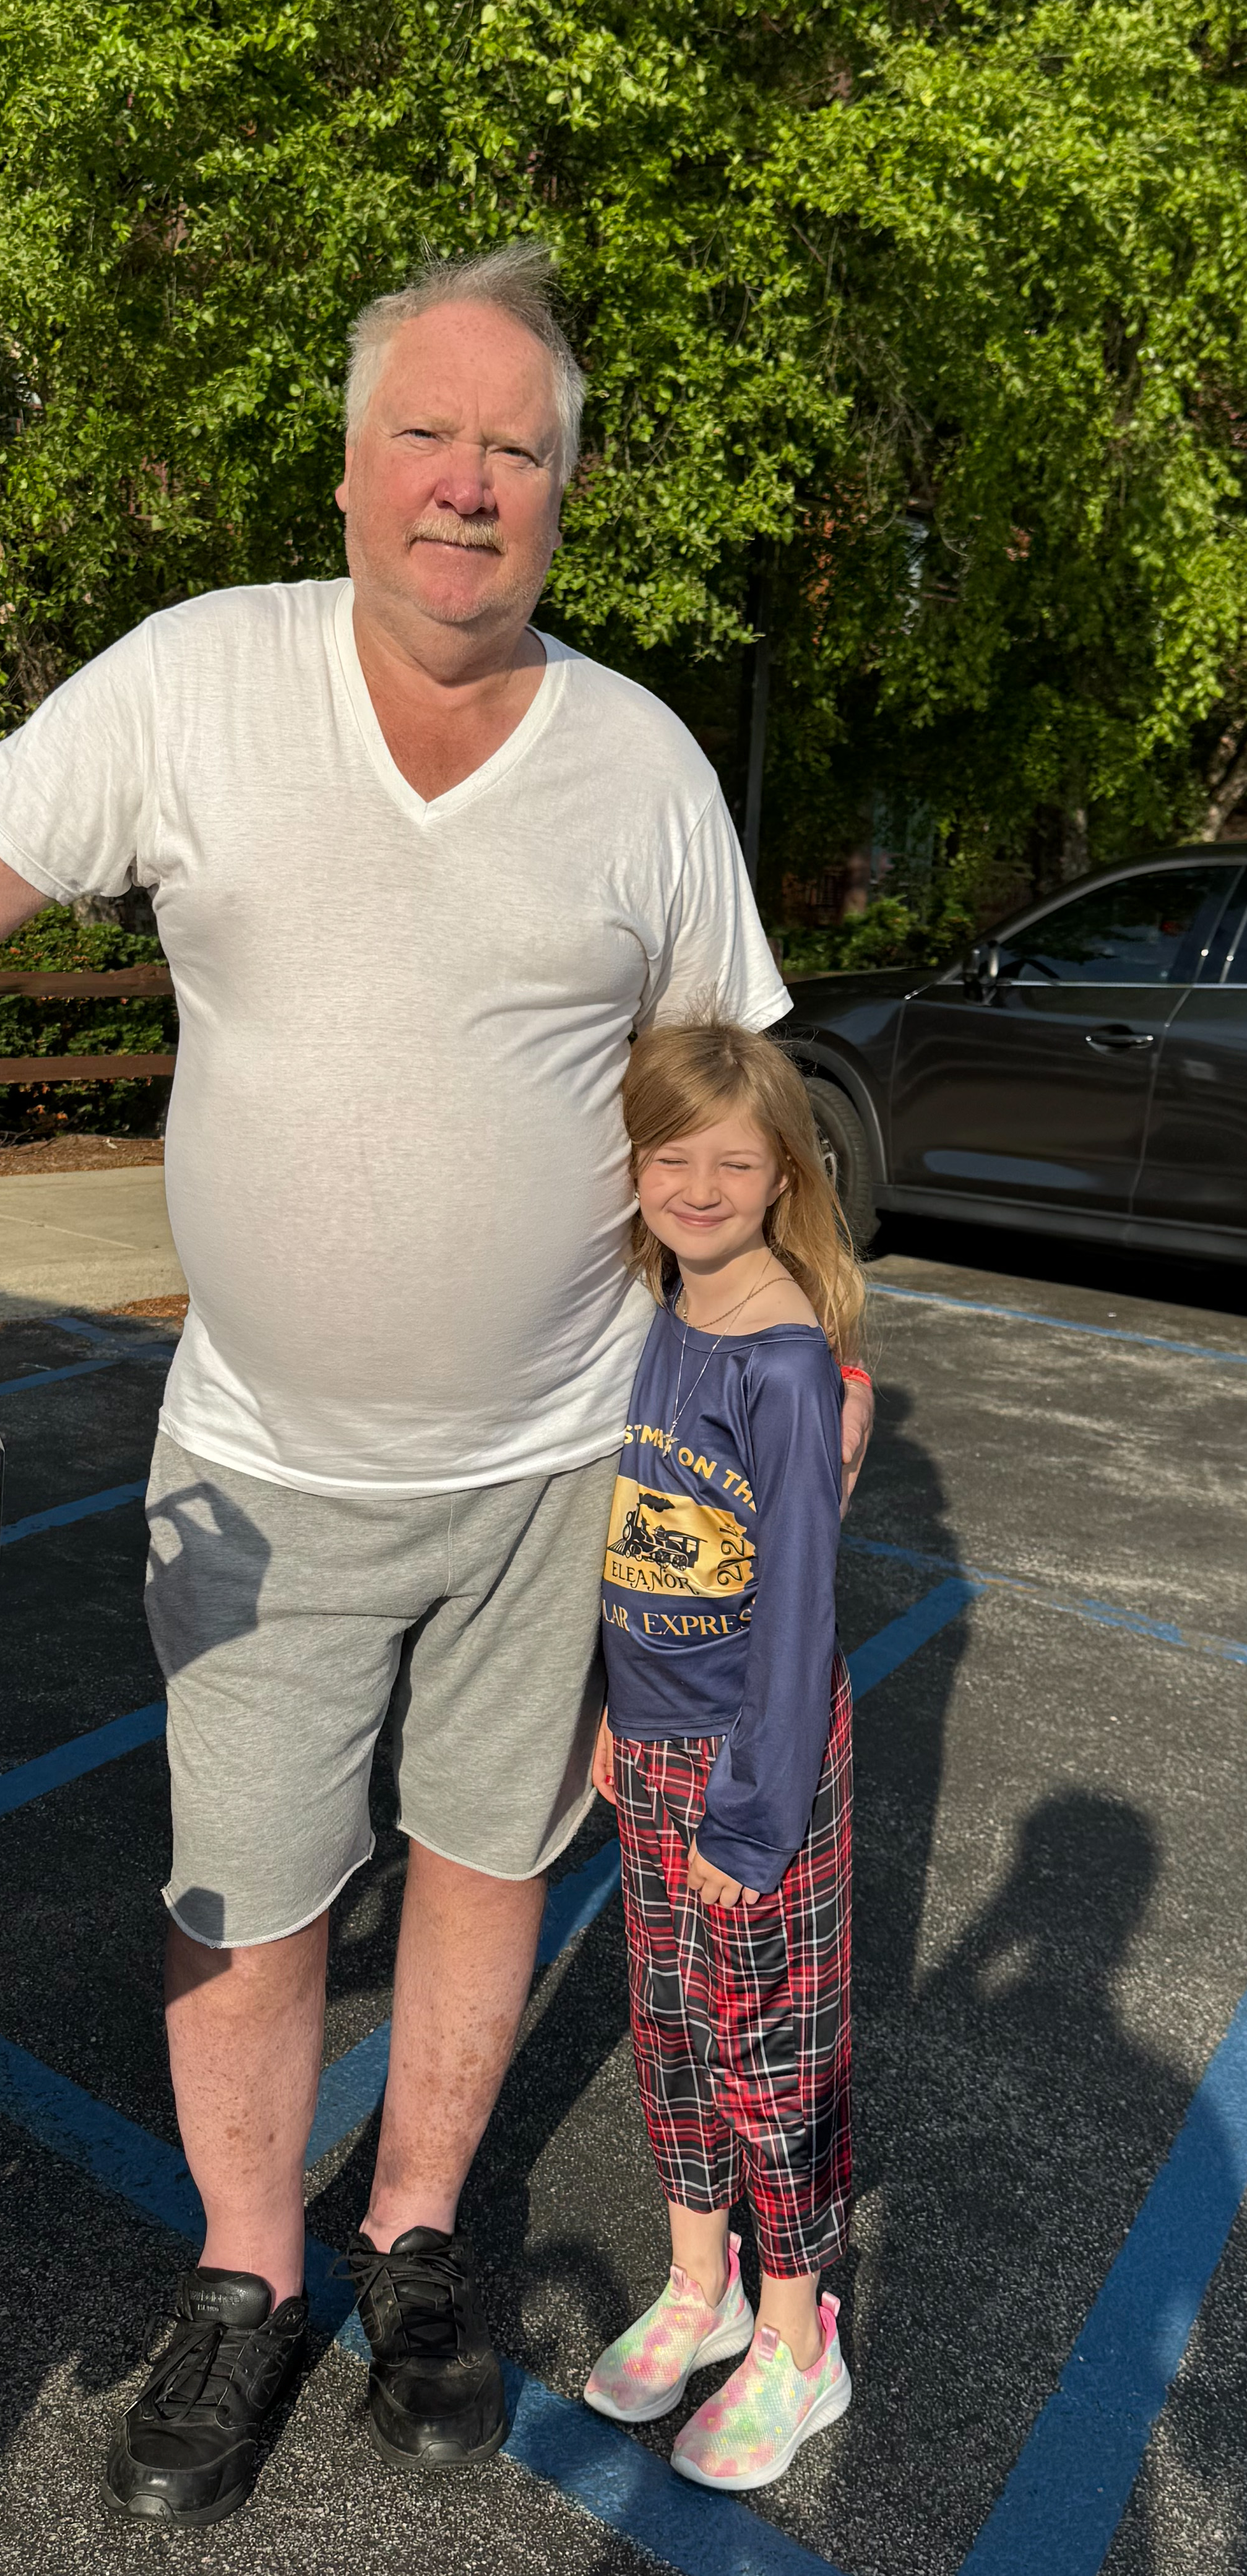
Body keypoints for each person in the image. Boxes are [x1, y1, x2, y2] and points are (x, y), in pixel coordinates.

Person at [0, 241, 874, 2528]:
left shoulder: (646, 767)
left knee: (487, 1865)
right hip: (265, 1474)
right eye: (428, 437)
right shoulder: (201, 680)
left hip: (561, 1465)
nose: (467, 487)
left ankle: (416, 2240)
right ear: (353, 463)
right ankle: (245, 2273)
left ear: (565, 491)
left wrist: (797, 1352)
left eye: (518, 450)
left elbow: (726, 1109)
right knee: (248, 1898)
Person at [581, 1017, 863, 2492]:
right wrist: (617, 1719)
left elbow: (797, 1607)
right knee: (674, 2034)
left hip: (757, 1775)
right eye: (666, 1154)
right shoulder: (658, 1314)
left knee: (771, 2058)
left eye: (730, 1162)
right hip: (658, 1752)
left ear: (779, 1179)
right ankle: (699, 2287)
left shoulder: (784, 1365)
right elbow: (639, 1543)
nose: (695, 1184)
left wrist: (750, 1820)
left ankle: (794, 2334)